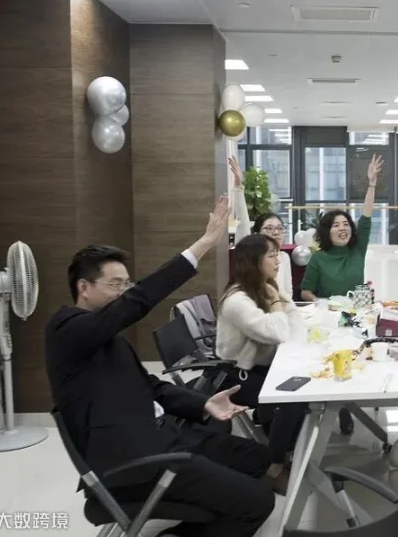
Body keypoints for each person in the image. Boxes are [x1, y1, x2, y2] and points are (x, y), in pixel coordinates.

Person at [46, 196, 276, 537]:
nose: (124, 292)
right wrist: (203, 245)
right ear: (84, 288)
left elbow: (151, 387)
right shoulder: (66, 330)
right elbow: (137, 302)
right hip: (136, 462)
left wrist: (204, 404)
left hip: (168, 437)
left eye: (126, 284)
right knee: (259, 502)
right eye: (115, 284)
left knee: (257, 458)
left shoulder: (107, 338)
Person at [217, 234, 310, 495]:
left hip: (261, 367)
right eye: (271, 255)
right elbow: (278, 332)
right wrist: (277, 300)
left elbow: (294, 326)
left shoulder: (263, 287)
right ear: (253, 261)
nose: (278, 260)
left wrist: (278, 297)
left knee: (304, 386)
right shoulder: (237, 300)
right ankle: (274, 466)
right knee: (294, 396)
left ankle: (286, 452)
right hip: (237, 377)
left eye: (277, 254)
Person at [300, 154, 384, 435]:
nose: (343, 228)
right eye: (336, 225)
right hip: (330, 320)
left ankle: (351, 402)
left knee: (361, 358)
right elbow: (305, 291)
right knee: (336, 359)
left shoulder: (357, 250)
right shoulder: (319, 259)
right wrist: (321, 302)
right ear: (327, 232)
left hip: (358, 314)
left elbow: (367, 217)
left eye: (345, 224)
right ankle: (338, 406)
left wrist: (371, 184)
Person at [229, 157, 293, 297]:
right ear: (257, 234)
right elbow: (243, 222)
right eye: (269, 228)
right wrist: (238, 187)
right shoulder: (252, 257)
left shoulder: (284, 257)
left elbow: (288, 293)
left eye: (280, 228)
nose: (276, 233)